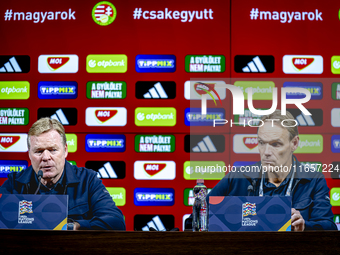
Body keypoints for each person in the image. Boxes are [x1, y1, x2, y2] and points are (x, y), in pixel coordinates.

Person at [205, 110, 337, 231]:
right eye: (262, 143)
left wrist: (304, 227)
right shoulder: (236, 178)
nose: (266, 152)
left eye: (275, 144)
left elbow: (329, 228)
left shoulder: (313, 181)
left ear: (294, 143)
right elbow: (196, 220)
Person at [0, 117, 126, 230]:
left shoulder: (87, 180)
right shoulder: (14, 183)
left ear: (65, 150)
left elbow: (116, 222)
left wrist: (76, 226)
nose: (46, 157)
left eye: (53, 150)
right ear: (29, 154)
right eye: (38, 151)